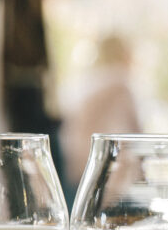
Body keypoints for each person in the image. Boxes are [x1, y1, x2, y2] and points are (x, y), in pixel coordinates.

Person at [60, 34, 143, 189]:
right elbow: (137, 132)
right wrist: (144, 171)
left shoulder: (88, 81)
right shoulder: (120, 83)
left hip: (79, 161)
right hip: (109, 163)